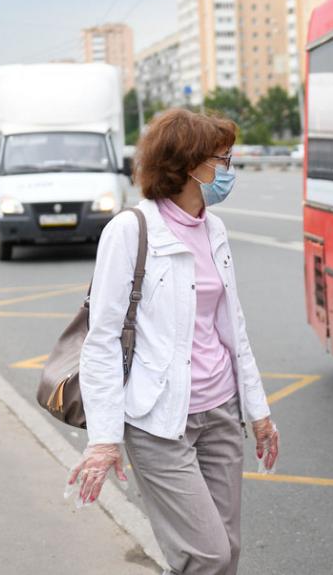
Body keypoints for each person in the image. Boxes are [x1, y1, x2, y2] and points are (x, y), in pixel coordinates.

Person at [70, 108, 279, 575]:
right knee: (207, 555)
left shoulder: (214, 229)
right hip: (160, 421)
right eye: (222, 160)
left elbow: (233, 326)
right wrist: (105, 440)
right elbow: (102, 340)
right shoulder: (130, 231)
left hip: (221, 412)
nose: (229, 171)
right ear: (190, 166)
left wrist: (257, 410)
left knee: (226, 551)